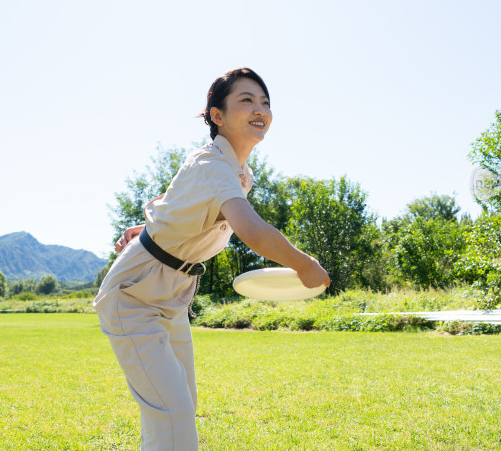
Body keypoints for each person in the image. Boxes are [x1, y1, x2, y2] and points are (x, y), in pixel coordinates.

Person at [94, 67, 331, 451]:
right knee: (171, 415)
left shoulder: (239, 173)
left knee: (178, 410)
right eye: (247, 100)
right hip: (134, 298)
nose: (260, 109)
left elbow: (180, 205)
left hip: (171, 299)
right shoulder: (212, 165)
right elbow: (251, 229)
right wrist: (304, 264)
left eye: (265, 102)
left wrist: (150, 229)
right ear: (216, 116)